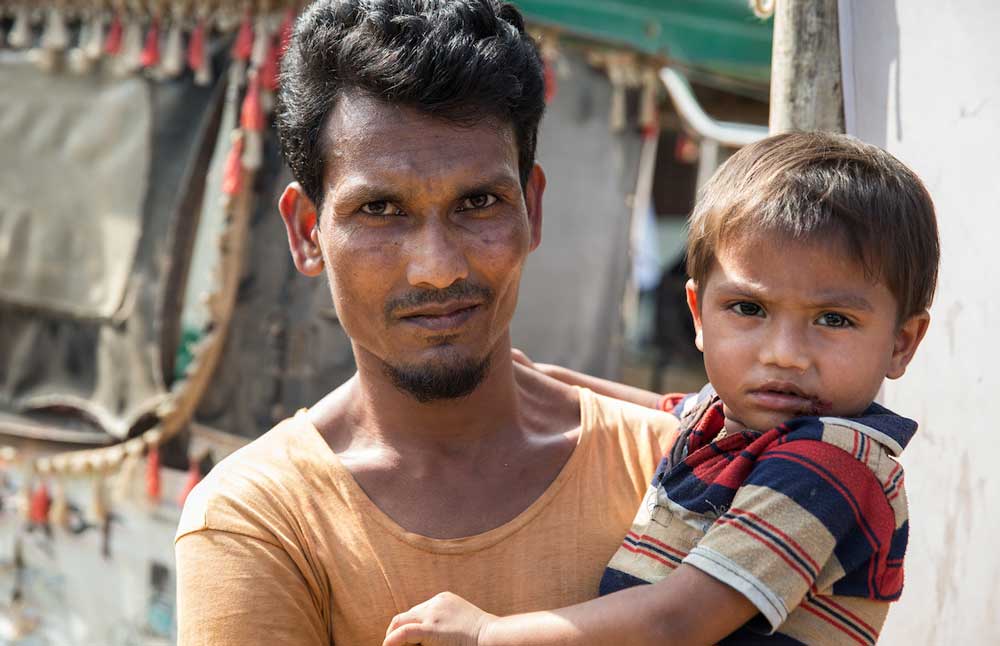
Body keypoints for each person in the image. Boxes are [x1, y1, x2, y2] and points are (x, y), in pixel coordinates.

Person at [173, 1, 679, 644]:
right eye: (381, 209)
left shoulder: (669, 468)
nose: (437, 269)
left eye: (478, 202)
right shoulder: (259, 518)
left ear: (533, 210)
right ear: (308, 233)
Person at [382, 131, 940, 645]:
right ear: (699, 314)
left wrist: (487, 633)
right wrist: (552, 379)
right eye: (749, 309)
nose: (783, 354)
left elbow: (679, 619)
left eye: (833, 319)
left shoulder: (828, 464)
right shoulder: (739, 424)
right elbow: (667, 408)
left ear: (901, 344)